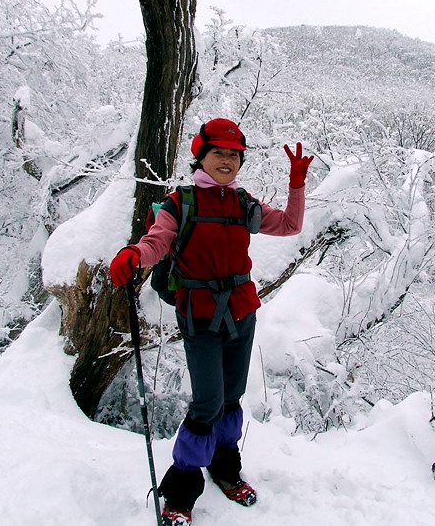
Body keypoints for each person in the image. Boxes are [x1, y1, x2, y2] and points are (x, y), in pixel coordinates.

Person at [109, 118, 313, 526]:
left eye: (234, 154)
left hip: (242, 311)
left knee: (232, 397)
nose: (227, 160)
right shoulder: (180, 203)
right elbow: (157, 240)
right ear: (199, 156)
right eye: (218, 152)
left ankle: (224, 467)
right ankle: (181, 490)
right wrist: (134, 254)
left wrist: (296, 186)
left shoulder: (243, 204)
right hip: (199, 313)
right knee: (206, 403)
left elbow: (291, 226)